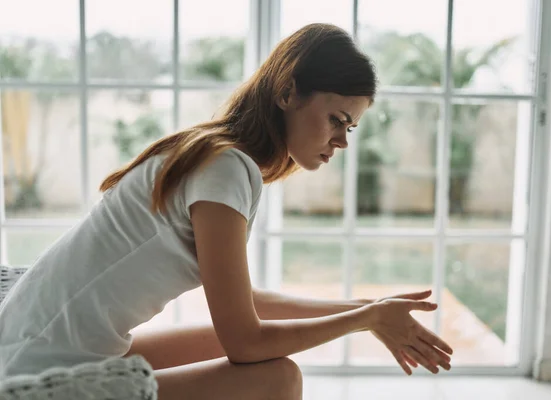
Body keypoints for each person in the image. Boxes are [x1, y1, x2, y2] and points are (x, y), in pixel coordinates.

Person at [0, 23, 453, 399]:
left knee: (249, 341)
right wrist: (366, 319)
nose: (343, 141)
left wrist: (368, 307)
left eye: (350, 126)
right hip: (37, 375)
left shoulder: (215, 154)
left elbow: (247, 305)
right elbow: (246, 342)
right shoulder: (226, 167)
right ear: (287, 92)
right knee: (278, 378)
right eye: (336, 119)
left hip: (38, 348)